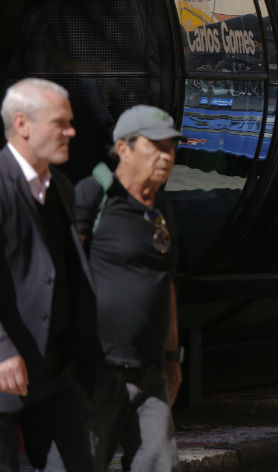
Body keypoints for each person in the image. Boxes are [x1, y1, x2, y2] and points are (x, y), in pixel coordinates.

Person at [76, 105, 182, 472]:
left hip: (149, 371)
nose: (166, 157)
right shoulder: (94, 195)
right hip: (98, 369)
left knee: (160, 466)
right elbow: (59, 272)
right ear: (124, 148)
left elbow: (165, 285)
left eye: (171, 148)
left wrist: (172, 358)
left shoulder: (163, 208)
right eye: (156, 147)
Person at [0, 78, 96, 472]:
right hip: (6, 370)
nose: (72, 131)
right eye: (61, 123)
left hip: (57, 370)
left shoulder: (61, 188)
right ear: (23, 125)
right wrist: (3, 349)